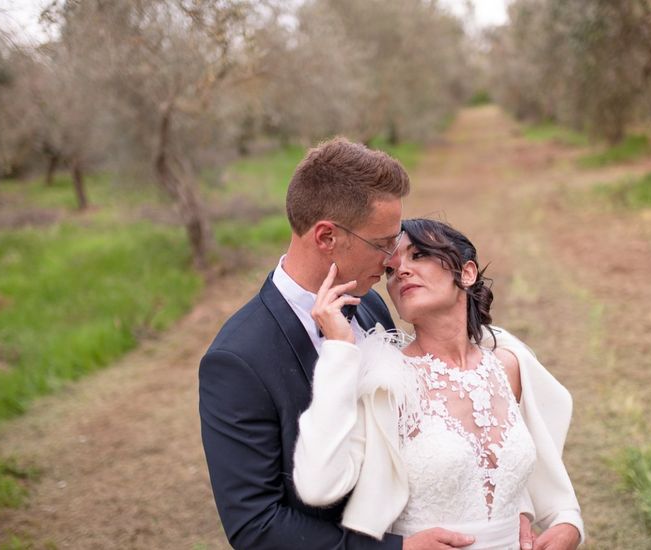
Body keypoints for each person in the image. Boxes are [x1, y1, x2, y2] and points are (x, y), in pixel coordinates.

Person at [199, 139, 486, 549]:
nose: (393, 260)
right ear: (326, 237)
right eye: (383, 243)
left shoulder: (369, 305)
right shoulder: (237, 360)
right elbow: (255, 524)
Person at [294, 218, 584, 550]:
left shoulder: (508, 366)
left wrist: (568, 524)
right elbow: (318, 486)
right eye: (390, 270)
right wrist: (338, 351)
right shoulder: (386, 380)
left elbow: (541, 482)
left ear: (467, 273)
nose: (400, 270)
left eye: (418, 255)